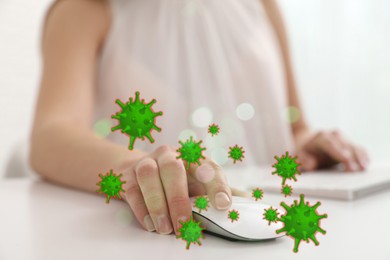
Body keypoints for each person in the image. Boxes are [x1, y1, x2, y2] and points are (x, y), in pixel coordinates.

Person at [29, 0, 368, 236]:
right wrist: (140, 167)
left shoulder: (263, 5)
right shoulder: (84, 10)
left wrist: (308, 143)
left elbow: (294, 125)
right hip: (155, 237)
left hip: (270, 229)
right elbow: (51, 135)